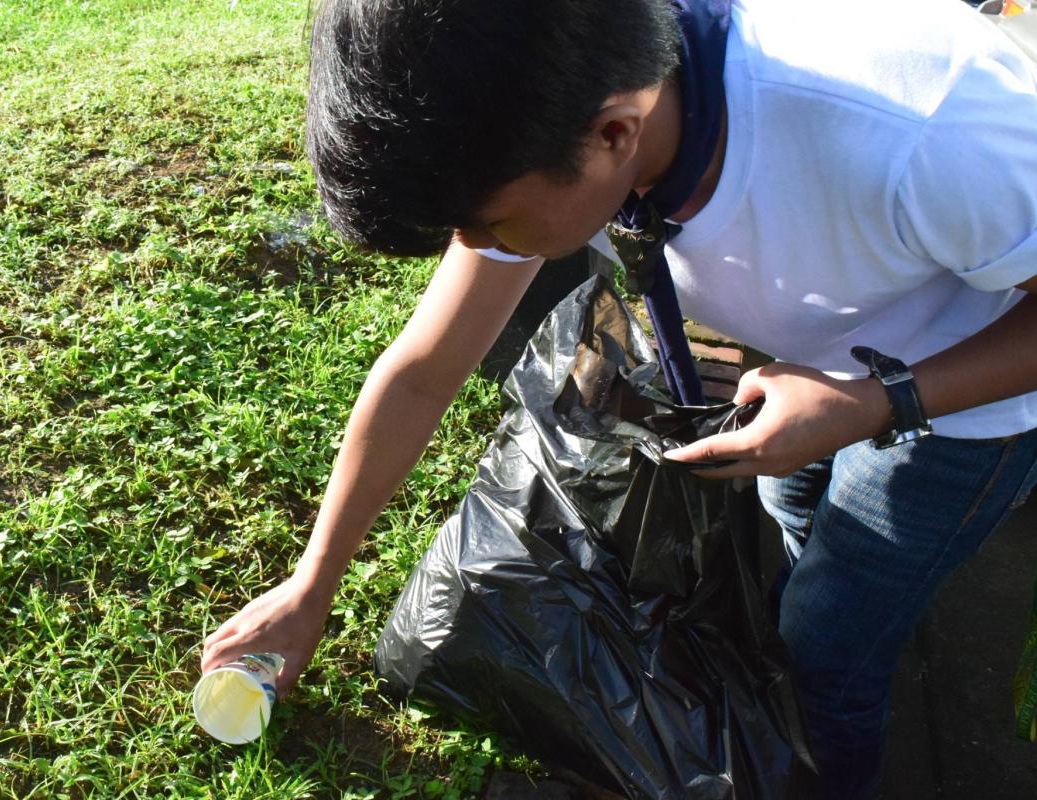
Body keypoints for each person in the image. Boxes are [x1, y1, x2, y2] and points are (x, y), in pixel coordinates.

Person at [202, 0, 1037, 796]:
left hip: (968, 408)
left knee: (826, 652)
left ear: (613, 135)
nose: (478, 254)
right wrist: (311, 586)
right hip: (820, 360)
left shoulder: (924, 129)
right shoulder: (561, 107)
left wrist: (881, 400)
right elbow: (424, 369)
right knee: (788, 546)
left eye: (488, 228)